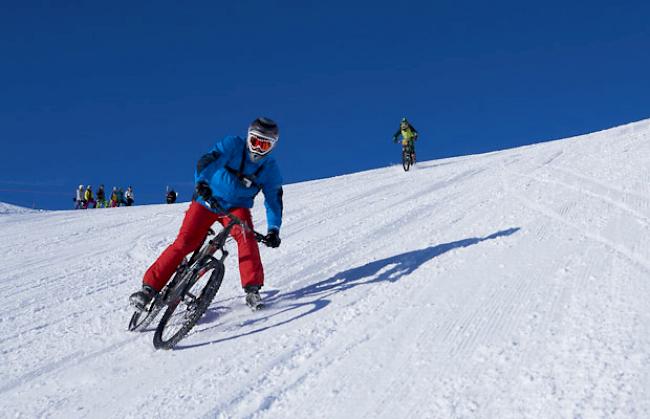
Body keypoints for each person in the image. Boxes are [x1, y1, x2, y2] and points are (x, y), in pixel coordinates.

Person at [129, 117, 284, 311]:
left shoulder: (270, 169)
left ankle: (252, 290)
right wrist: (202, 182)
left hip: (235, 208)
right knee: (185, 242)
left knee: (247, 238)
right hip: (207, 200)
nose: (258, 149)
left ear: (272, 146)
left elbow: (274, 199)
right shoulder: (233, 145)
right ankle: (148, 289)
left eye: (265, 145)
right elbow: (208, 161)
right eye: (255, 142)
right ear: (247, 138)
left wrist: (273, 229)